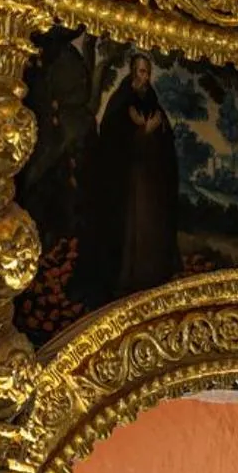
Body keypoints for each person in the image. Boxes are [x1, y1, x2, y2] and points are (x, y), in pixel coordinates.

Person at [81, 53, 180, 303]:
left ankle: (151, 276)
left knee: (149, 228)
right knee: (128, 229)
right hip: (126, 183)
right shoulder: (121, 101)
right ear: (132, 72)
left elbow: (166, 141)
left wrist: (158, 131)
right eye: (139, 71)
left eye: (146, 72)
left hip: (150, 182)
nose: (142, 77)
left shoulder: (153, 102)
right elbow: (112, 139)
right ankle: (125, 279)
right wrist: (142, 132)